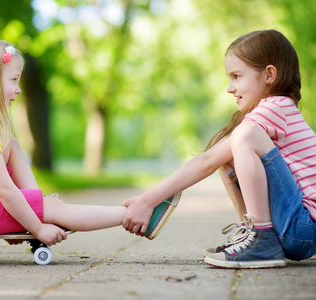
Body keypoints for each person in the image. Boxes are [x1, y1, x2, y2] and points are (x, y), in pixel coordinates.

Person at [122, 29, 316, 269]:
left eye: (236, 76)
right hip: (298, 228)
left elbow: (206, 162)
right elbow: (213, 160)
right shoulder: (276, 110)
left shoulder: (275, 108)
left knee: (244, 136)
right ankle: (252, 235)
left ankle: (262, 241)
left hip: (303, 228)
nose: (229, 88)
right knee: (230, 157)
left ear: (269, 75)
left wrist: (147, 200)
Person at [0, 34, 131, 247]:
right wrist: (37, 229)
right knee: (54, 208)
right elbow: (4, 190)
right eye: (13, 80)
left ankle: (36, 205)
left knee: (10, 143)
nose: (19, 89)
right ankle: (129, 215)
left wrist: (24, 215)